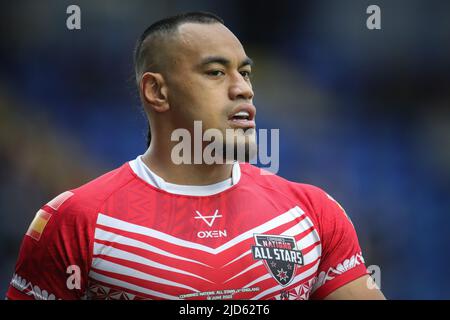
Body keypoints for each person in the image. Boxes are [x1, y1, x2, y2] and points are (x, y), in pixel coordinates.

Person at [6, 12, 385, 300]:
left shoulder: (312, 213)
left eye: (246, 73)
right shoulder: (77, 220)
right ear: (157, 91)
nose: (243, 90)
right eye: (216, 72)